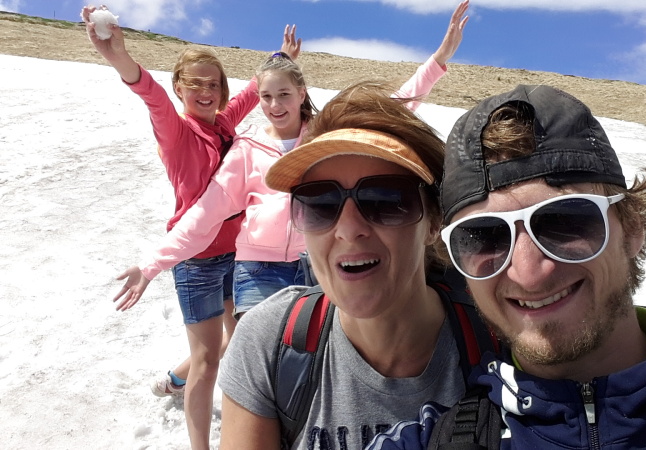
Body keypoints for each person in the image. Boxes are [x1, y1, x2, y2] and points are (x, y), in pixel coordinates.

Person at [367, 84, 646, 449]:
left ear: (632, 228)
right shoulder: (430, 440)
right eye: (483, 237)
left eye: (564, 221)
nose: (528, 273)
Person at [212, 72, 493, 448]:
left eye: (385, 200)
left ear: (434, 221)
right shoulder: (269, 342)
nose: (347, 229)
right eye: (320, 203)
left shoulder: (497, 342)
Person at [81, 5, 299, 450]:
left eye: (213, 84)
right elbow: (151, 95)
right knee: (208, 361)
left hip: (238, 255)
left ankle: (175, 379)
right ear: (179, 87)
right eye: (195, 83)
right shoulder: (176, 129)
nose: (206, 91)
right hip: (195, 260)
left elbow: (253, 92)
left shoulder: (223, 123)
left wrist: (281, 57)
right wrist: (117, 55)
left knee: (240, 342)